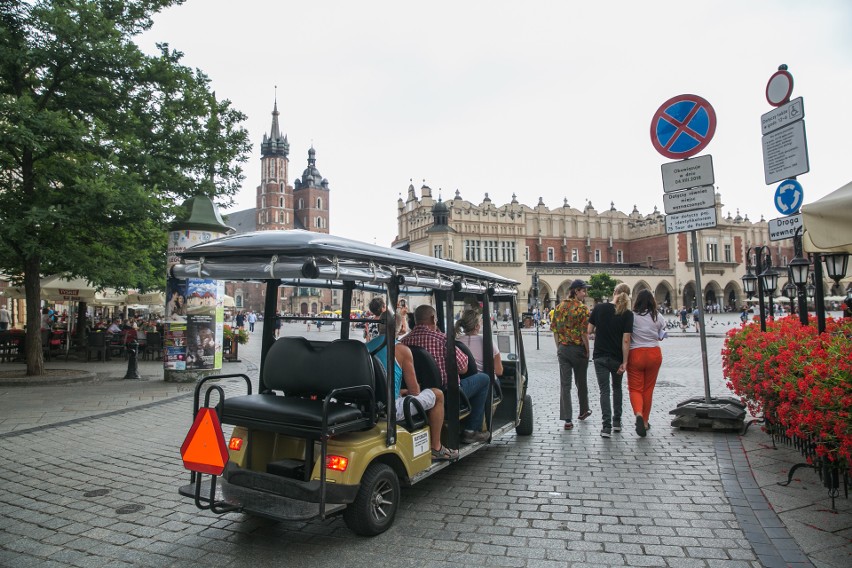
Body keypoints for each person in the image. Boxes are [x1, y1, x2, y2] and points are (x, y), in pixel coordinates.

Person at [367, 315, 458, 461]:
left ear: (378, 327)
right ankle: (436, 447)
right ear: (401, 328)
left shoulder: (367, 347)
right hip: (391, 408)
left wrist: (402, 391)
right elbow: (415, 391)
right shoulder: (402, 350)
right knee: (438, 394)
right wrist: (408, 391)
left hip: (371, 404)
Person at [401, 305, 491, 444]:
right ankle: (471, 430)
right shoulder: (442, 339)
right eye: (436, 318)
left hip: (418, 395)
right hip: (447, 395)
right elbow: (463, 368)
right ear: (433, 318)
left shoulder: (404, 342)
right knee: (484, 378)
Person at [588, 283, 633, 438]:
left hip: (600, 356)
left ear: (614, 292)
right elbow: (626, 340)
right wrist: (625, 362)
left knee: (604, 391)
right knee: (617, 389)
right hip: (617, 358)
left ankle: (606, 427)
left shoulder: (599, 308)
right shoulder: (627, 313)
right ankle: (617, 422)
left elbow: (589, 330)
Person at [550, 279, 592, 430]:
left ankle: (568, 419)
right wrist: (588, 350)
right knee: (581, 382)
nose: (585, 294)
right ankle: (583, 411)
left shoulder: (559, 307)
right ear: (575, 291)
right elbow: (584, 333)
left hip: (563, 349)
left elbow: (555, 331)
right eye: (583, 291)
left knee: (565, 384)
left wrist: (559, 348)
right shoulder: (582, 309)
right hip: (578, 349)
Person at [627, 289, 666, 437]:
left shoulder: (632, 316)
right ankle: (645, 421)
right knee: (648, 389)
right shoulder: (658, 316)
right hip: (654, 353)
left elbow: (627, 335)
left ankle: (638, 413)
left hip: (636, 353)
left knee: (635, 389)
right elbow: (661, 335)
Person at [455, 309, 503, 377]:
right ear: (477, 326)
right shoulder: (487, 341)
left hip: (463, 382)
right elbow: (499, 371)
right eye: (481, 322)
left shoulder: (456, 341)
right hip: (483, 383)